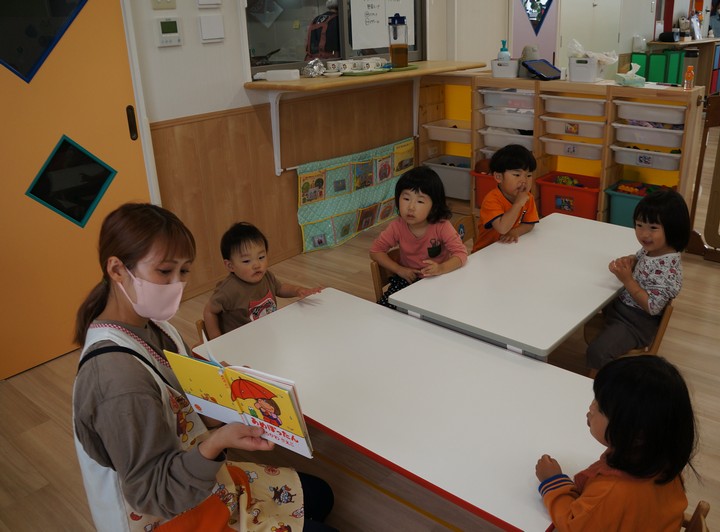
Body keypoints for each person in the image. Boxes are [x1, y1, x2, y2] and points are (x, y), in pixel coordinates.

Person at [73, 203, 336, 532]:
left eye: (184, 271)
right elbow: (153, 495)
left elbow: (188, 397)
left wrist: (226, 386)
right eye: (164, 272)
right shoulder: (117, 381)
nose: (177, 285)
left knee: (321, 496)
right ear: (117, 270)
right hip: (169, 513)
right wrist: (218, 442)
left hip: (200, 480)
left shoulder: (157, 327)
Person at [535, 355, 697, 530]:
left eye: (601, 408)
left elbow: (573, 525)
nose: (591, 407)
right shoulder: (661, 458)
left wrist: (553, 482)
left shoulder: (610, 492)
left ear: (636, 435)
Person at [585, 189, 690, 377]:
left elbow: (652, 307)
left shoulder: (669, 270)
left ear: (673, 228)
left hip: (636, 322)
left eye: (653, 228)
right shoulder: (653, 249)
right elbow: (639, 259)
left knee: (598, 351)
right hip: (621, 307)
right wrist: (630, 261)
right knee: (587, 297)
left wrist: (627, 280)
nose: (644, 233)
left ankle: (600, 384)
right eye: (639, 225)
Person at [203, 222, 322, 339]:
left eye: (261, 257)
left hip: (267, 333)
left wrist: (297, 290)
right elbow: (209, 311)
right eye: (246, 261)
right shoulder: (228, 290)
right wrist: (215, 339)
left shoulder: (266, 276)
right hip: (241, 341)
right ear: (230, 266)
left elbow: (280, 288)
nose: (257, 265)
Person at [369, 166, 468, 308]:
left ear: (434, 206)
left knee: (444, 311)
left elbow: (461, 253)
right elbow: (375, 251)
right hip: (407, 281)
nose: (411, 207)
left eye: (420, 201)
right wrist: (398, 269)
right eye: (406, 198)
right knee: (383, 310)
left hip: (438, 280)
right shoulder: (397, 226)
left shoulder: (441, 226)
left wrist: (441, 268)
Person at [472, 144, 539, 253]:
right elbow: (502, 228)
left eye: (528, 175)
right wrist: (518, 204)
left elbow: (529, 223)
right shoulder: (492, 200)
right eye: (517, 175)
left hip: (508, 249)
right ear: (498, 177)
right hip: (485, 252)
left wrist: (515, 232)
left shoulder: (527, 197)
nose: (524, 181)